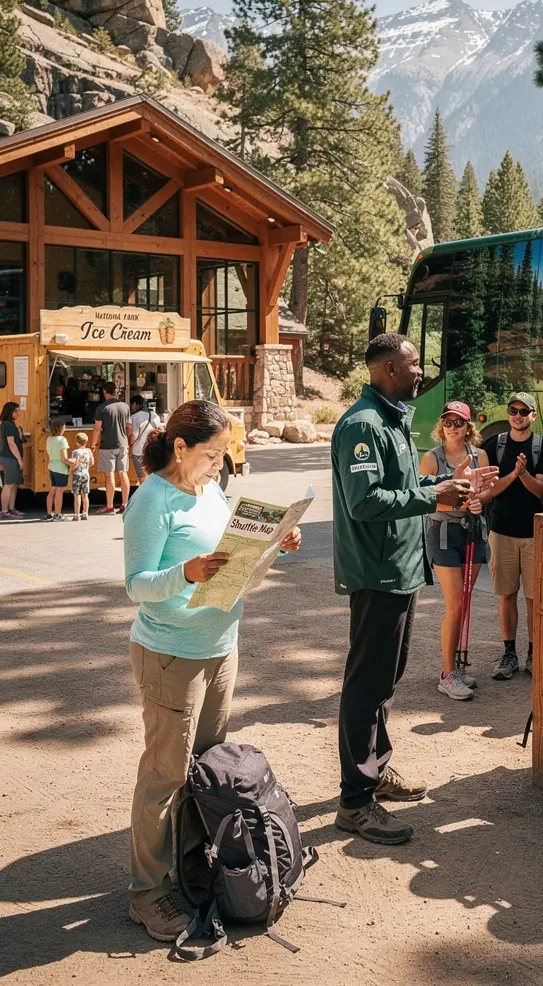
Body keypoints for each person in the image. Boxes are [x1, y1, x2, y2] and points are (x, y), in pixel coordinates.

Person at [124, 398, 302, 942]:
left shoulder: (211, 491)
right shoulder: (152, 501)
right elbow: (137, 585)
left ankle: (191, 865)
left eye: (225, 454)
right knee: (165, 774)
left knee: (204, 768)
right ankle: (148, 894)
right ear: (180, 448)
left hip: (221, 643)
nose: (220, 464)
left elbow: (235, 559)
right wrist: (186, 571)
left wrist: (277, 543)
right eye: (211, 453)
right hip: (172, 653)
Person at [332, 334, 496, 846]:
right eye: (411, 364)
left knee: (386, 679)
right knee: (366, 684)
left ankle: (375, 770)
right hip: (377, 572)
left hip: (401, 569)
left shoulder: (395, 418)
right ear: (385, 369)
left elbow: (409, 491)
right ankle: (355, 802)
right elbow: (366, 501)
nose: (419, 371)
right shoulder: (363, 425)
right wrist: (433, 493)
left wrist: (452, 494)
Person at [481, 392, 543, 680]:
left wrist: (522, 474)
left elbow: (541, 490)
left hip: (534, 534)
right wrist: (514, 474)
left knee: (534, 599)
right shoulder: (494, 445)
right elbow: (489, 492)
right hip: (501, 532)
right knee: (507, 595)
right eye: (513, 410)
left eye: (524, 412)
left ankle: (533, 654)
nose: (518, 416)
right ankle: (509, 652)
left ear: (533, 416)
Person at [419, 401, 489, 701]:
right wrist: (461, 503)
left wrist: (479, 500)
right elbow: (424, 499)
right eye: (447, 422)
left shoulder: (479, 455)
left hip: (472, 530)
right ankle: (447, 675)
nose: (452, 427)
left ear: (468, 427)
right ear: (441, 426)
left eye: (458, 422)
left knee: (466, 601)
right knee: (455, 603)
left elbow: (487, 490)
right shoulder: (431, 458)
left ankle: (457, 669)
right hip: (443, 532)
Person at [92, 382, 132, 514]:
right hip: (123, 444)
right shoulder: (125, 407)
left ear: (105, 392)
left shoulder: (102, 408)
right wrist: (127, 439)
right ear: (116, 392)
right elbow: (129, 427)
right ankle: (125, 504)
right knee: (123, 473)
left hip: (107, 445)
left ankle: (109, 506)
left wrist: (93, 444)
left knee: (109, 476)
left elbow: (97, 429)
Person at [0, 401, 25, 519]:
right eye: (17, 411)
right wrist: (19, 459)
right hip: (10, 458)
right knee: (9, 484)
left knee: (14, 484)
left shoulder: (7, 424)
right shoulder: (8, 425)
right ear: (11, 412)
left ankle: (11, 509)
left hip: (9, 457)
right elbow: (11, 443)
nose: (19, 413)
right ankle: (4, 510)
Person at [129, 395, 160, 485]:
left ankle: (146, 496)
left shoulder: (135, 417)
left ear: (135, 404)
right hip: (152, 449)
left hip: (138, 451)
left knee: (142, 477)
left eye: (132, 404)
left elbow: (134, 436)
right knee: (151, 475)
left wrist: (129, 446)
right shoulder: (155, 415)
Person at [45, 418, 70, 521]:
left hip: (52, 465)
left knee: (53, 490)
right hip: (61, 468)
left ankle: (49, 513)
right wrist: (73, 463)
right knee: (60, 491)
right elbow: (64, 458)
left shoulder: (49, 439)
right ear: (61, 427)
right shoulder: (62, 440)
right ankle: (58, 514)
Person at [67, 431, 94, 520]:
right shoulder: (89, 451)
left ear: (77, 442)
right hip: (86, 474)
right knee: (85, 494)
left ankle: (76, 514)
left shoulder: (75, 452)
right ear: (86, 442)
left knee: (77, 494)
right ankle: (85, 513)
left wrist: (71, 471)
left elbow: (75, 463)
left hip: (77, 475)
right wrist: (86, 468)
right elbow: (92, 462)